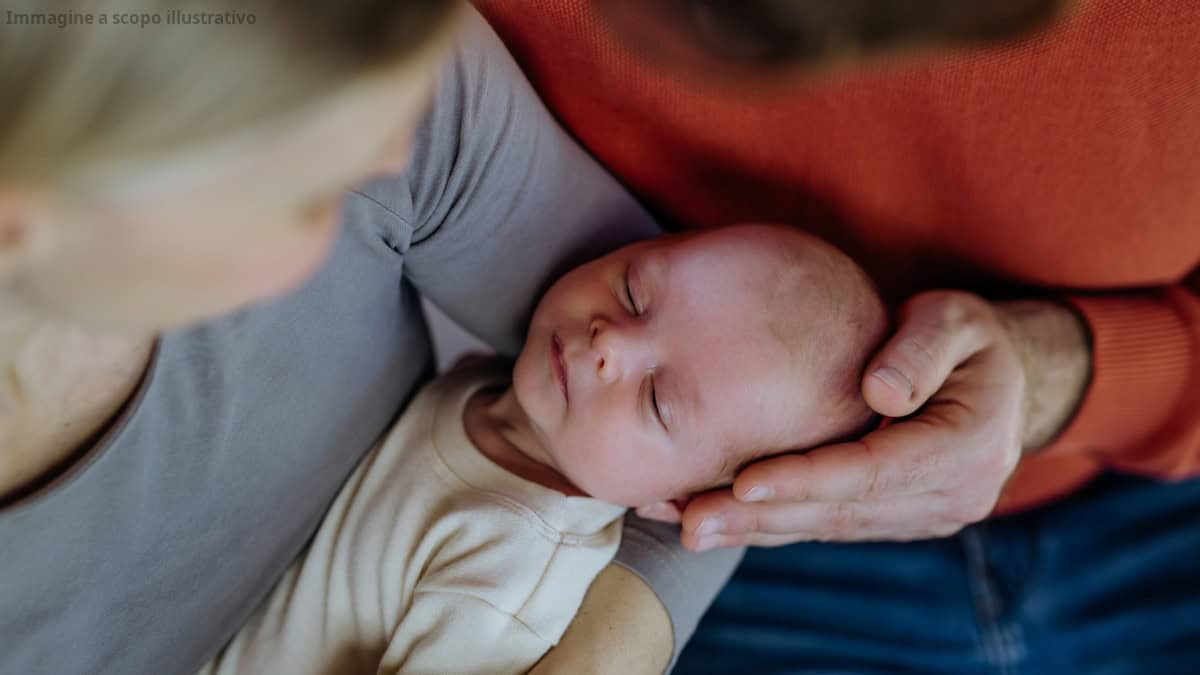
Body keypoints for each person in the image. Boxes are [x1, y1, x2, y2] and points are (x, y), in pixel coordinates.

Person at [0, 4, 742, 674]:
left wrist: (609, 654)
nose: (395, 157)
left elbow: (746, 403)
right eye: (307, 195)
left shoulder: (366, 62)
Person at [473, 0, 1200, 671]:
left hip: (1150, 498)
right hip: (754, 555)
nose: (610, 342)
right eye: (634, 289)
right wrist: (638, 606)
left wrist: (1057, 372)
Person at [200, 223, 888, 674]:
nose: (610, 342)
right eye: (634, 290)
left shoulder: (514, 575)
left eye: (656, 399)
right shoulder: (494, 391)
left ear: (673, 501)